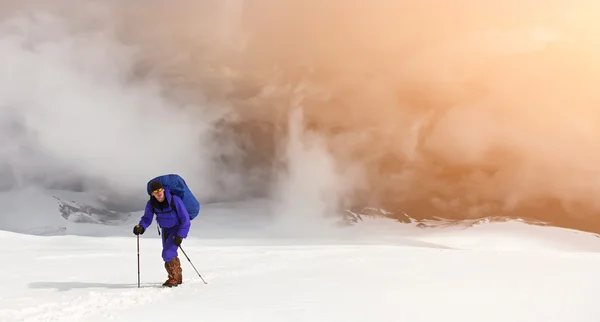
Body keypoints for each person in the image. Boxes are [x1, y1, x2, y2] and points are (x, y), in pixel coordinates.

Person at [133, 180, 191, 287]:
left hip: (176, 229)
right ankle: (178, 276)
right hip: (165, 230)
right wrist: (141, 227)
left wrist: (180, 235)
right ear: (152, 194)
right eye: (155, 191)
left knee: (167, 253)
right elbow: (147, 218)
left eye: (159, 190)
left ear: (163, 189)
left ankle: (173, 278)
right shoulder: (151, 204)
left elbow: (185, 219)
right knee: (169, 254)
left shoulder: (175, 200)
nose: (158, 193)